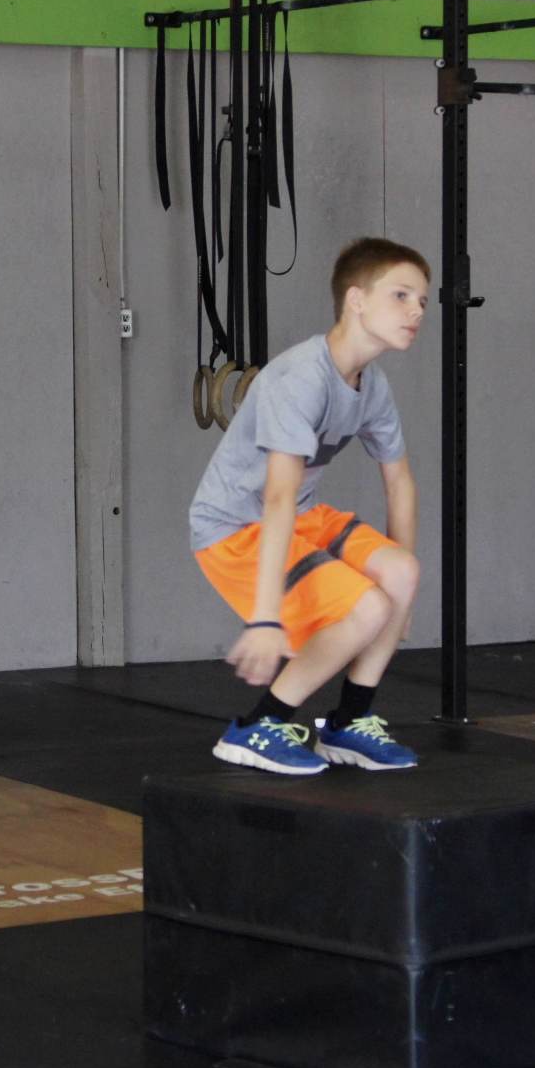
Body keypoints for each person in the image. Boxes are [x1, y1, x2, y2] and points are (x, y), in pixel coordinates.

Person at [189, 237, 429, 775]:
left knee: (401, 572)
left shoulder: (372, 386)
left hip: (298, 516)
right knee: (365, 606)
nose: (416, 310)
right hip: (235, 527)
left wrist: (404, 599)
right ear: (356, 300)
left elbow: (401, 483)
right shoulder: (302, 378)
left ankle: (349, 722)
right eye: (401, 295)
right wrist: (266, 617)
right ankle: (261, 725)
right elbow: (275, 498)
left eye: (422, 301)